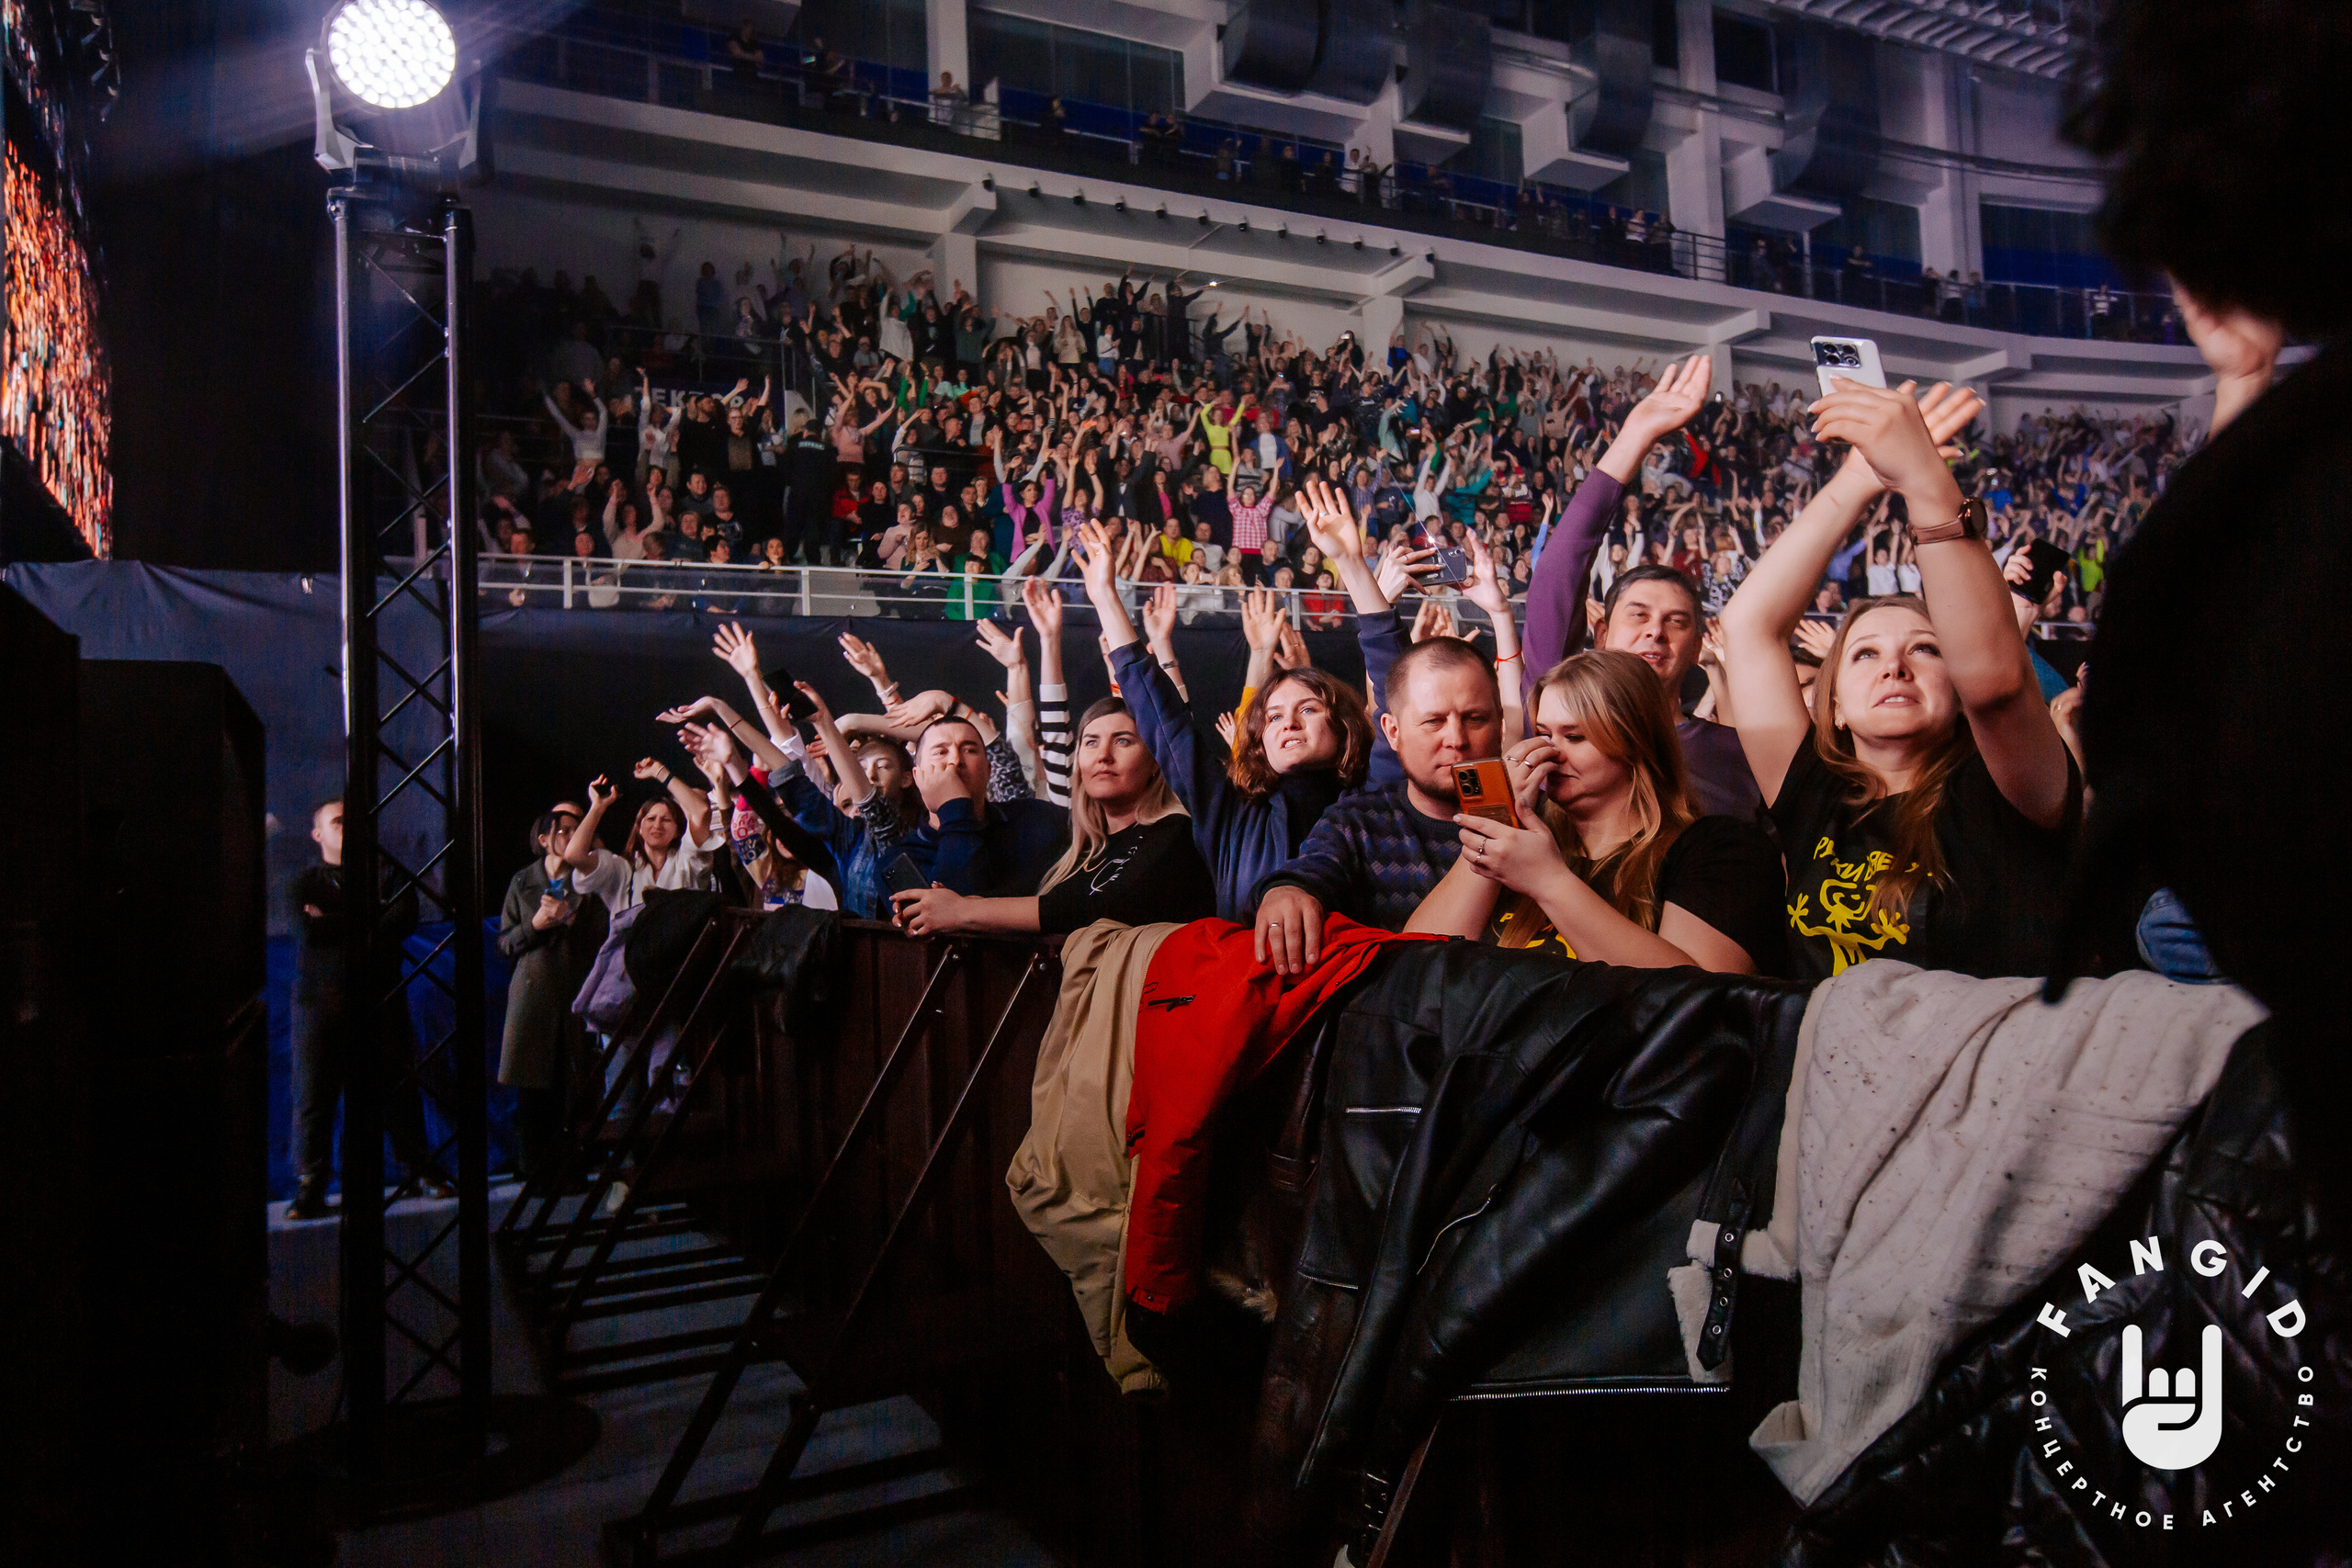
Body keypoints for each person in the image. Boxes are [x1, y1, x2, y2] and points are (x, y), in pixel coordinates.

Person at [1717, 378, 2080, 982]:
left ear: (1957, 684)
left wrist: (1926, 483)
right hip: (1827, 1072)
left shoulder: (2008, 789)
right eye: (1863, 655)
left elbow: (1997, 684)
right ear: (1831, 705)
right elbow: (1747, 625)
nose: (1893, 666)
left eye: (1926, 649)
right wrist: (1860, 477)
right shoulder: (1812, 792)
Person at [1404, 651, 1784, 974]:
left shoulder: (1719, 848)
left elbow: (1699, 1000)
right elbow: (1416, 964)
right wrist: (1497, 821)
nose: (1550, 753)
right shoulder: (1519, 844)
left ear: (1635, 743)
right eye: (1543, 733)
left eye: (1574, 737)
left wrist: (1549, 882)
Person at [1076, 529, 1374, 921]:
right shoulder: (1229, 811)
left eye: (1307, 710)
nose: (1288, 723)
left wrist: (1362, 581)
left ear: (1342, 726)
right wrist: (1106, 598)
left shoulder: (1370, 802)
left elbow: (1393, 706)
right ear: (1258, 739)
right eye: (1273, 716)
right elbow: (1165, 723)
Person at [1520, 355, 1760, 819]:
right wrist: (1635, 437)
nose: (1655, 632)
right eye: (1639, 615)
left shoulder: (1736, 752)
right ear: (1603, 634)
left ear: (1696, 648)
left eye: (1676, 622)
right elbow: (1556, 575)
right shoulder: (1561, 720)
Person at [1252, 636, 1504, 972]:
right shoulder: (1356, 822)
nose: (1456, 740)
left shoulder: (1539, 817)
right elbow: (1313, 870)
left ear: (1500, 723)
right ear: (1393, 731)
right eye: (1434, 722)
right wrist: (1286, 892)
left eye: (1475, 718)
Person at [888, 695, 1215, 935]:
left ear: (1155, 762)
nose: (1103, 755)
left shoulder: (1177, 833)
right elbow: (982, 912)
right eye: (1090, 742)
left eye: (1123, 741)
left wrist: (965, 910)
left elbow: (1096, 908)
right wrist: (952, 906)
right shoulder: (1077, 850)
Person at [286, 799, 452, 1218]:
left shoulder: (387, 873)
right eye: (337, 821)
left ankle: (421, 1171)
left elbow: (401, 923)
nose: (347, 827)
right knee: (315, 1096)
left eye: (353, 820)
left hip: (380, 1002)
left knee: (398, 1089)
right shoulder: (302, 882)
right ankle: (311, 1184)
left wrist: (334, 920)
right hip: (319, 1007)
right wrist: (367, 919)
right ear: (317, 833)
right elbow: (307, 931)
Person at [494, 802, 610, 1183]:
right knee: (532, 1088)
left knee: (575, 1085)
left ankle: (573, 1165)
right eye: (563, 830)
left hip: (577, 993)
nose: (572, 835)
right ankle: (534, 1166)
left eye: (578, 829)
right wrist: (537, 924)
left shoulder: (590, 879)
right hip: (533, 995)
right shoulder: (522, 881)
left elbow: (601, 939)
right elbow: (506, 942)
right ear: (544, 840)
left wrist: (569, 918)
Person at [561, 761, 724, 912]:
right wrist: (597, 807)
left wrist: (660, 772)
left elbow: (701, 811)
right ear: (639, 828)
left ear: (677, 831)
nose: (657, 825)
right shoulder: (622, 870)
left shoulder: (688, 861)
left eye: (666, 820)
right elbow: (574, 855)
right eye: (651, 819)